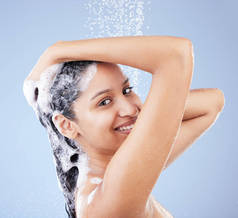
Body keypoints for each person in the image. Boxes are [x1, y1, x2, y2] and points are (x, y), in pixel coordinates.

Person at [23, 36, 224, 218]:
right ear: (66, 125)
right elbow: (175, 55)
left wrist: (146, 116)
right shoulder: (111, 198)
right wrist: (58, 51)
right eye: (104, 102)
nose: (129, 108)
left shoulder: (111, 172)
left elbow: (211, 104)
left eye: (127, 90)